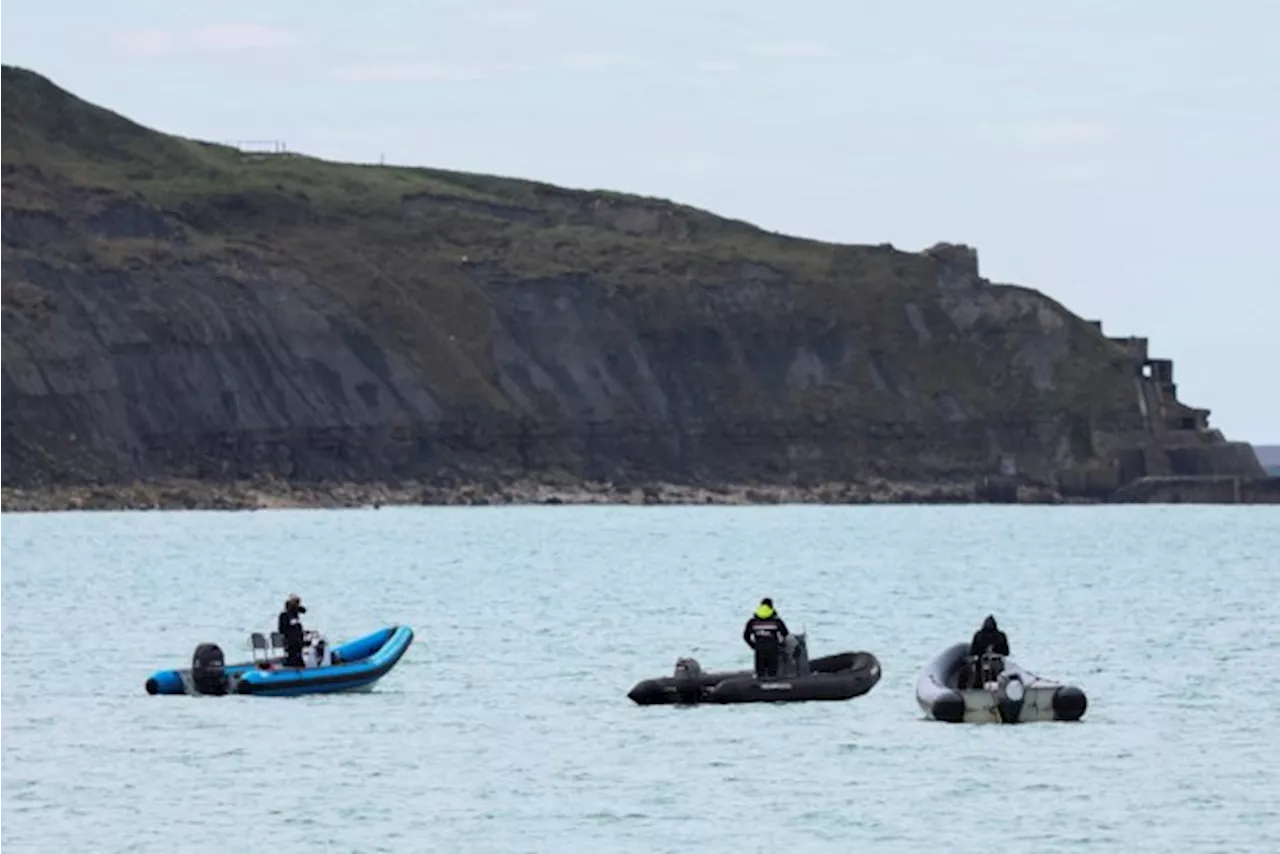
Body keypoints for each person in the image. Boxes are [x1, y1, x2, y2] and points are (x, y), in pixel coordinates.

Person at [742, 597, 790, 678]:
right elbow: (785, 633)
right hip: (773, 649)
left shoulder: (753, 622)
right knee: (772, 673)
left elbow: (746, 636)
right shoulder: (776, 621)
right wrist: (781, 644)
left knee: (760, 673)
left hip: (759, 649)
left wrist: (753, 645)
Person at [278, 594, 307, 667]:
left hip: (297, 638)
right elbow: (283, 629)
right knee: (294, 650)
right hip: (290, 640)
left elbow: (304, 610)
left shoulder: (294, 612)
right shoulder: (285, 614)